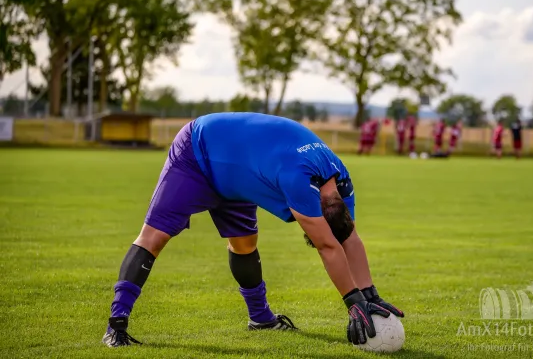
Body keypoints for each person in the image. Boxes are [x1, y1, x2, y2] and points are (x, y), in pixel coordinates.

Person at [102, 112, 404, 348]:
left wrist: (370, 294)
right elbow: (328, 246)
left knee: (244, 244)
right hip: (197, 152)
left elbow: (348, 237)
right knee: (154, 237)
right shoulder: (299, 179)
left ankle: (260, 319)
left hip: (239, 172)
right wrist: (353, 302)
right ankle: (116, 325)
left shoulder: (341, 181)